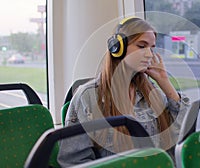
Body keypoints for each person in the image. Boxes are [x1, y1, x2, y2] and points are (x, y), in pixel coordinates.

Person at [57, 16, 190, 167]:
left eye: (152, 48)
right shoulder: (88, 97)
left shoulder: (153, 93)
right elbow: (73, 162)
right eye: (142, 46)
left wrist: (165, 82)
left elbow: (182, 136)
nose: (149, 54)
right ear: (117, 48)